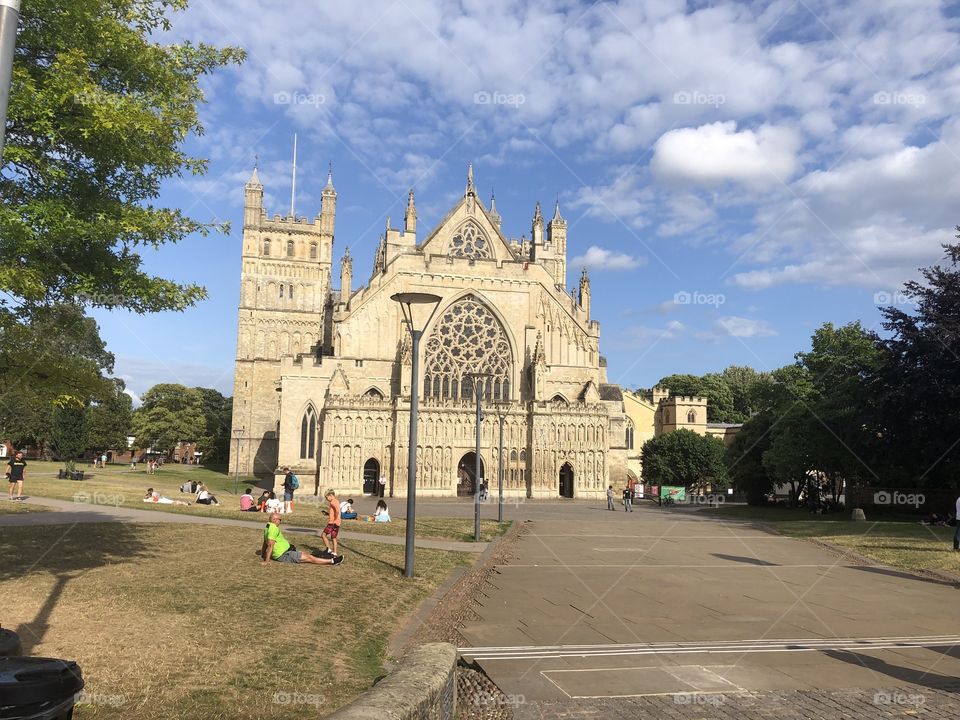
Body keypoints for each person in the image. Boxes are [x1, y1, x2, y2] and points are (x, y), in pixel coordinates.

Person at [261, 512, 342, 566]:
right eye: (280, 520)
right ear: (274, 520)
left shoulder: (268, 527)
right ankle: (332, 561)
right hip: (284, 554)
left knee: (307, 555)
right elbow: (270, 545)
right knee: (310, 558)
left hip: (287, 551)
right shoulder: (273, 528)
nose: (280, 521)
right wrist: (267, 560)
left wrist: (262, 554)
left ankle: (329, 558)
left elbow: (265, 542)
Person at [321, 489, 342, 558]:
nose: (326, 499)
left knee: (323, 535)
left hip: (332, 523)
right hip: (337, 523)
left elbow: (337, 511)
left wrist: (335, 520)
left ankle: (329, 549)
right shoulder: (336, 501)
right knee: (333, 538)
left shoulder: (333, 502)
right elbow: (336, 511)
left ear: (331, 495)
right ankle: (335, 552)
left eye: (327, 498)